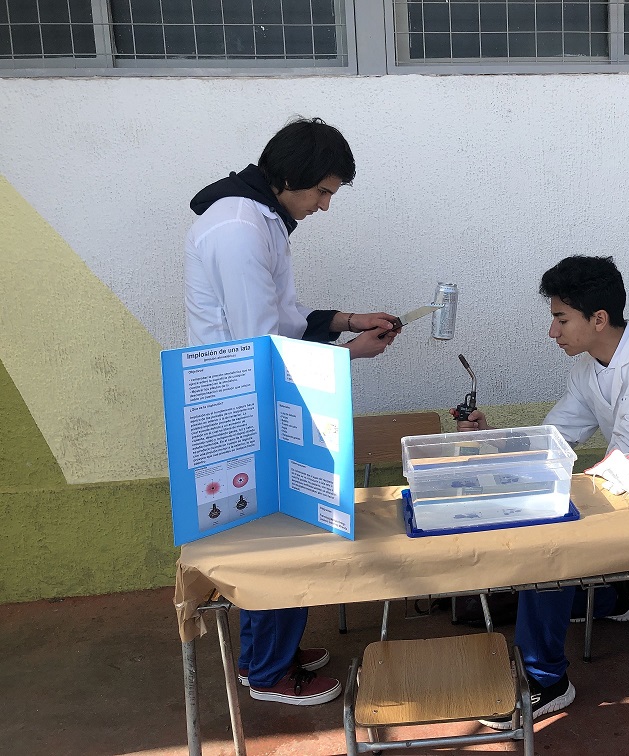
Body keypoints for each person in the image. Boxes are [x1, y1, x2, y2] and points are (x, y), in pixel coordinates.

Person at [185, 117, 399, 706]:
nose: (325, 206)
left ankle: (269, 653)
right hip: (241, 406)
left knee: (286, 529)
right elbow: (261, 347)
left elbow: (286, 318)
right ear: (289, 178)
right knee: (277, 539)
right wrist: (349, 354)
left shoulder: (262, 218)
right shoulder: (237, 228)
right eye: (323, 192)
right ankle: (268, 673)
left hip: (258, 398)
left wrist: (349, 321)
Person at [455, 255, 629, 726]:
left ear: (598, 319)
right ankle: (616, 599)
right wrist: (492, 439)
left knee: (547, 542)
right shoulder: (587, 369)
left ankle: (547, 680)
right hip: (626, 487)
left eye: (561, 319)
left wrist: (559, 487)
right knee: (540, 531)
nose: (552, 332)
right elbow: (555, 438)